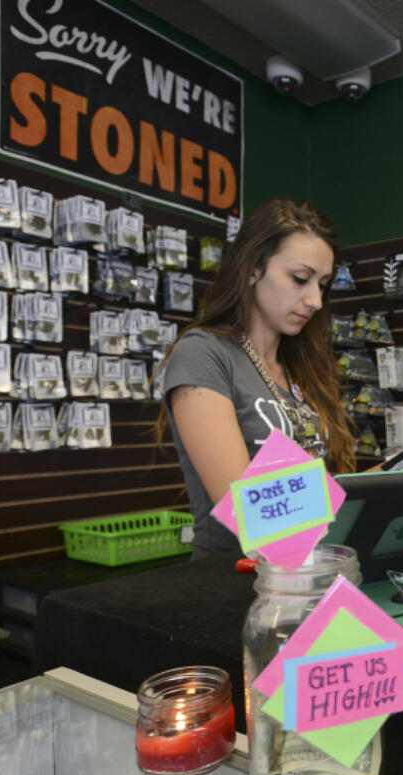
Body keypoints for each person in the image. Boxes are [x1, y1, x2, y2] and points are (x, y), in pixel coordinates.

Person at [157, 198, 355, 558]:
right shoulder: (203, 354)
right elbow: (250, 512)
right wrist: (337, 495)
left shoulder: (301, 366)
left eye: (322, 284)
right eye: (299, 278)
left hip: (310, 574)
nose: (314, 300)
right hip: (235, 582)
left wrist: (392, 478)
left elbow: (327, 487)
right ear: (252, 269)